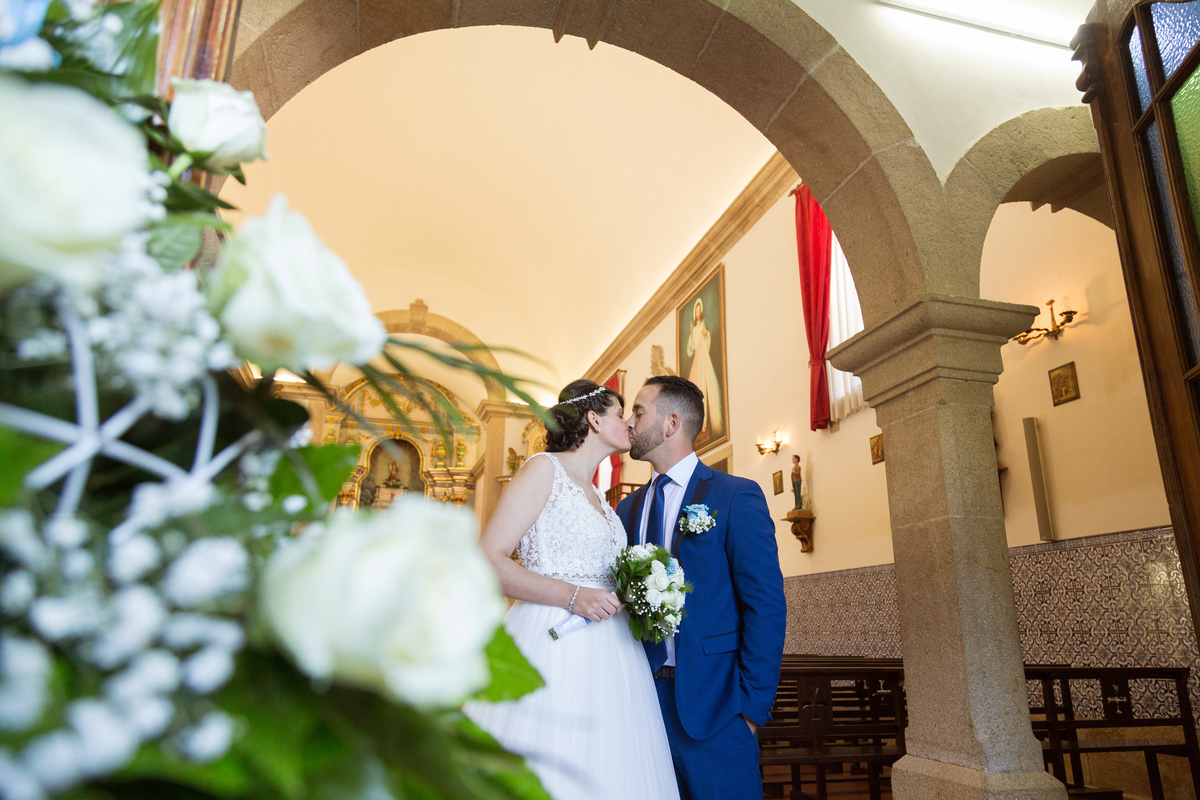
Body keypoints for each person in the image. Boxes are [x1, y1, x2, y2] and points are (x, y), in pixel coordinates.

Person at [464, 379, 680, 800]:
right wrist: (572, 595)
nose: (630, 424)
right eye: (622, 414)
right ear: (595, 419)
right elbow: (488, 559)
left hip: (614, 654)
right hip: (552, 639)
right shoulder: (543, 469)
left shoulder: (603, 499)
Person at [617, 375, 786, 800]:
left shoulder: (733, 496)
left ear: (672, 423)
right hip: (638, 701)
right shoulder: (626, 508)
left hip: (715, 705)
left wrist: (750, 708)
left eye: (638, 411)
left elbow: (765, 605)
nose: (629, 423)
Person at [685, 299, 724, 440]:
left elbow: (706, 342)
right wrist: (691, 332)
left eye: (698, 310)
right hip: (696, 359)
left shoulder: (702, 325)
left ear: (700, 312)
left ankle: (705, 424)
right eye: (695, 310)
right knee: (695, 391)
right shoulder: (694, 328)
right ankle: (698, 426)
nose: (697, 313)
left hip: (703, 358)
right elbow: (690, 348)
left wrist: (706, 333)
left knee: (704, 390)